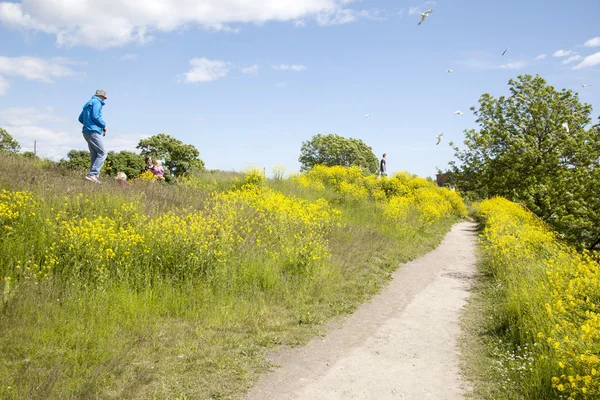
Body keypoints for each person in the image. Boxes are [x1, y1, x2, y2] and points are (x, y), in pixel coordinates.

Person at [78, 90, 108, 184]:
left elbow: (80, 118)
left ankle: (93, 178)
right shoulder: (97, 102)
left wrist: (88, 123)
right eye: (104, 98)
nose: (104, 100)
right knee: (103, 153)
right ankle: (93, 174)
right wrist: (103, 125)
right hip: (93, 131)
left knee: (95, 154)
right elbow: (95, 116)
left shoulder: (87, 103)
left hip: (86, 131)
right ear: (101, 97)